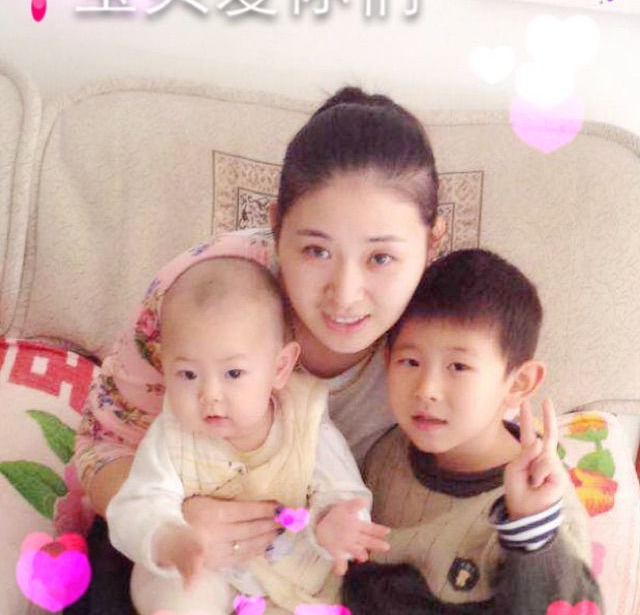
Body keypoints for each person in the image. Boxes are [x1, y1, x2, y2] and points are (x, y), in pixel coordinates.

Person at [69, 86, 446, 614]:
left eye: (381, 258)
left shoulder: (444, 328)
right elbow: (102, 444)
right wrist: (175, 525)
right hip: (182, 545)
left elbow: (477, 458)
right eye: (315, 250)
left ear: (431, 244)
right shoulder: (203, 295)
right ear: (276, 226)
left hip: (318, 559)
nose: (345, 294)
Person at [106, 257, 387, 614]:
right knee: (176, 590)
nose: (210, 395)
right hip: (208, 569)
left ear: (280, 367)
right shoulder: (172, 435)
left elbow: (344, 492)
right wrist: (167, 537)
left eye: (233, 373)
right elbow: (134, 505)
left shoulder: (305, 423)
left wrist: (335, 522)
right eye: (188, 375)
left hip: (297, 580)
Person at [341, 249, 603, 615]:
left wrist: (531, 533)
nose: (426, 390)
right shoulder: (386, 450)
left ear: (519, 383)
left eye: (459, 367)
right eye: (410, 361)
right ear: (387, 362)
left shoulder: (541, 510)